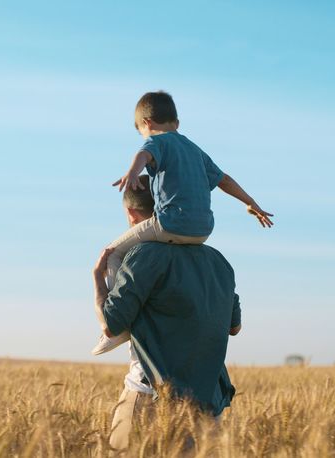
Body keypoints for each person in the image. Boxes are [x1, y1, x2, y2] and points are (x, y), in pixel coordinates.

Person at [93, 90, 270, 355]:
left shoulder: (158, 141)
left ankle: (120, 325)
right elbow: (224, 180)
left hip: (169, 224)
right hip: (202, 232)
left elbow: (143, 155)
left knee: (112, 252)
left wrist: (132, 172)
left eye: (141, 131)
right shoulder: (196, 150)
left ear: (147, 123)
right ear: (176, 122)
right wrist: (251, 202)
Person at [91, 178, 242, 450]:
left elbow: (110, 326)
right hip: (209, 405)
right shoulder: (219, 262)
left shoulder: (142, 255)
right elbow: (234, 327)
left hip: (151, 398)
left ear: (132, 215)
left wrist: (98, 279)